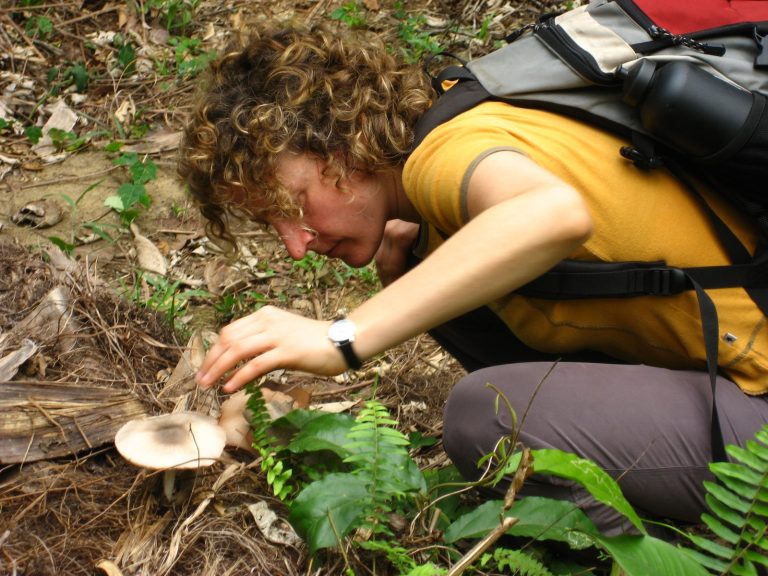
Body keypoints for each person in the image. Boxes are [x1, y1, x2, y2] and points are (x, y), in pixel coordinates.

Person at [178, 23, 768, 535]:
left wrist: (343, 337)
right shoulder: (466, 123)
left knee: (485, 418)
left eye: (296, 203)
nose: (295, 243)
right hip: (731, 381)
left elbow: (553, 214)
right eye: (272, 222)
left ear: (345, 146)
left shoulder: (447, 155)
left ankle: (662, 558)